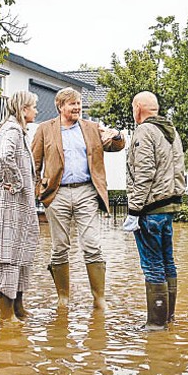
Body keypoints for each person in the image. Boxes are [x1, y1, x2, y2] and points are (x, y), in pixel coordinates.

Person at [31, 87, 125, 310]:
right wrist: (39, 190)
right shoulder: (45, 129)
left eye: (79, 103)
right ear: (61, 106)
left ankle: (99, 300)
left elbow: (116, 146)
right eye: (72, 104)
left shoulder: (92, 128)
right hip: (57, 193)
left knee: (92, 244)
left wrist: (117, 135)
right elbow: (34, 163)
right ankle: (63, 299)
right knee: (59, 247)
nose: (77, 107)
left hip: (86, 192)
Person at [123, 91, 186, 330]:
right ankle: (168, 319)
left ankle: (156, 325)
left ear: (138, 109)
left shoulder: (144, 131)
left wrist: (134, 210)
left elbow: (145, 173)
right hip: (168, 206)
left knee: (152, 265)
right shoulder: (171, 131)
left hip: (149, 209)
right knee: (168, 262)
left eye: (132, 107)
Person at [0, 90, 40, 321]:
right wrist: (15, 183)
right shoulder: (12, 130)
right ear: (24, 109)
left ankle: (18, 309)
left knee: (19, 254)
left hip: (17, 205)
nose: (36, 111)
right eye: (33, 107)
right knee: (7, 255)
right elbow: (5, 156)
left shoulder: (18, 131)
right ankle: (7, 317)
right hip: (7, 204)